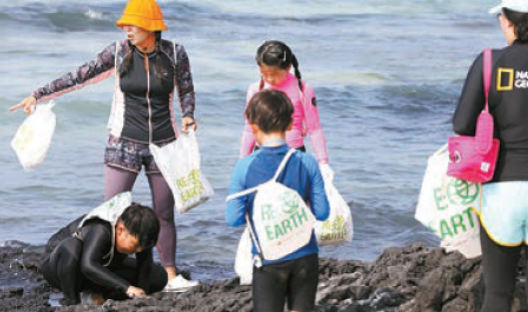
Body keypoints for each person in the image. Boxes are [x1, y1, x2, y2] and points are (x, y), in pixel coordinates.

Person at [9, 0, 197, 290]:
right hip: (123, 145)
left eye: (131, 24)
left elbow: (186, 87)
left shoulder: (175, 53)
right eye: (124, 25)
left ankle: (170, 276)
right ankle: (97, 278)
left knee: (163, 213)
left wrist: (188, 116)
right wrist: (39, 94)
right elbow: (81, 75)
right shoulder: (120, 51)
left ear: (150, 26)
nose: (125, 29)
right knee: (110, 216)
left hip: (165, 146)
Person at [452, 0, 528, 310]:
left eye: (501, 16)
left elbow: (462, 124)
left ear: (512, 22)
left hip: (501, 190)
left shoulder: (489, 63)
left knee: (497, 292)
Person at [226, 89, 330, 312]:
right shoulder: (307, 162)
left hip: (269, 259)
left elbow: (233, 218)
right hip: (305, 254)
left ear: (253, 126)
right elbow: (322, 213)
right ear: (291, 124)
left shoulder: (244, 167)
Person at [239, 40, 334, 180]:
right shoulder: (255, 89)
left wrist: (323, 162)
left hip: (294, 156)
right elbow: (249, 129)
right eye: (264, 74)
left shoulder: (302, 89)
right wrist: (242, 161)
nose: (270, 79)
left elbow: (314, 129)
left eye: (275, 74)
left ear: (288, 67)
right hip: (262, 156)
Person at [40, 201, 166, 305]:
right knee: (72, 247)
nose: (138, 251)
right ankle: (72, 302)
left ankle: (98, 295)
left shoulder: (141, 234)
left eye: (142, 248)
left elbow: (145, 266)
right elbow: (88, 265)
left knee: (159, 276)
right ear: (120, 230)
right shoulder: (101, 228)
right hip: (61, 267)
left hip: (102, 266)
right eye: (136, 245)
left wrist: (140, 295)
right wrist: (127, 287)